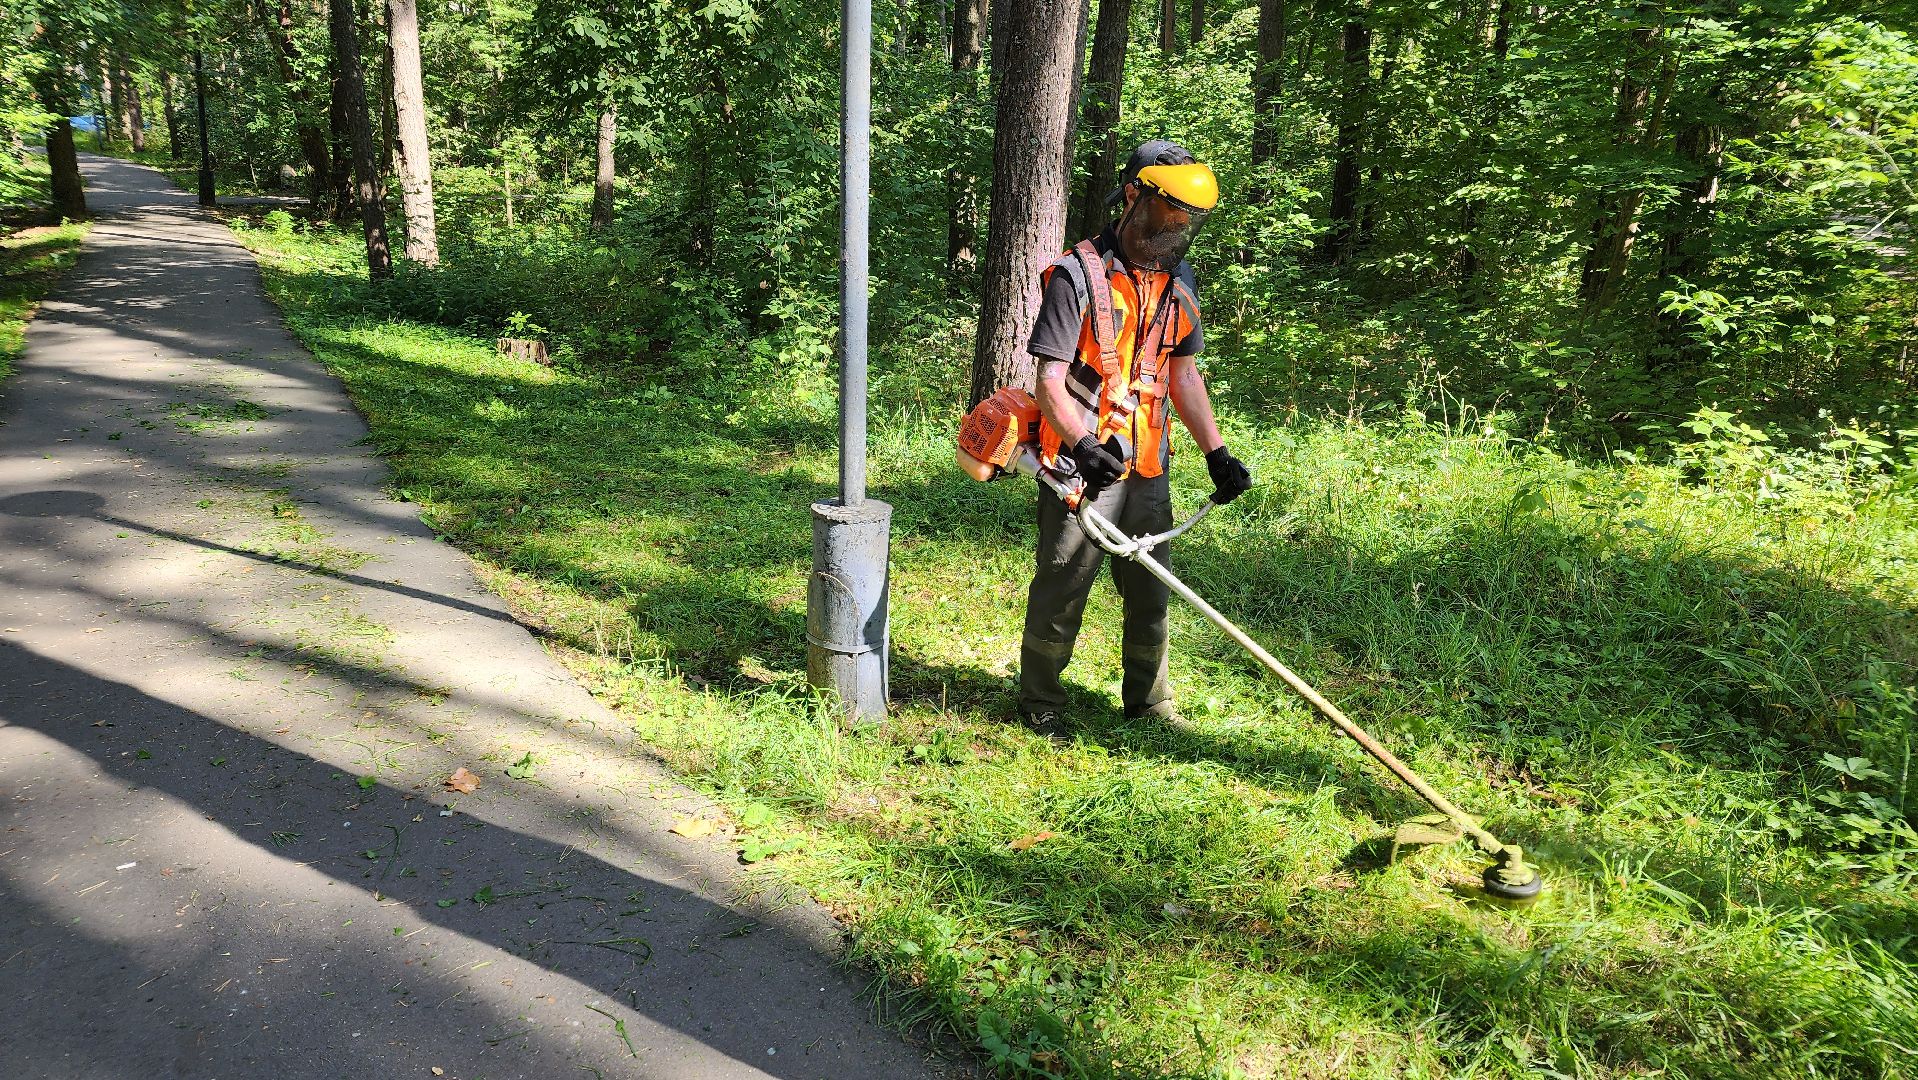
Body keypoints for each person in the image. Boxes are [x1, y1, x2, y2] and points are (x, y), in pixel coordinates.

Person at [1018, 140, 1253, 734]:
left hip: (1148, 461)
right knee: (1064, 585)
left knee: (1150, 592)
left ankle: (1149, 703)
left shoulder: (1178, 279)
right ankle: (1040, 701)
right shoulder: (1076, 275)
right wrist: (1080, 445)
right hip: (1082, 463)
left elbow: (1181, 371)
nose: (1177, 225)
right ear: (1132, 197)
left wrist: (1216, 452)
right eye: (1168, 211)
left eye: (1186, 216)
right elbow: (1048, 379)